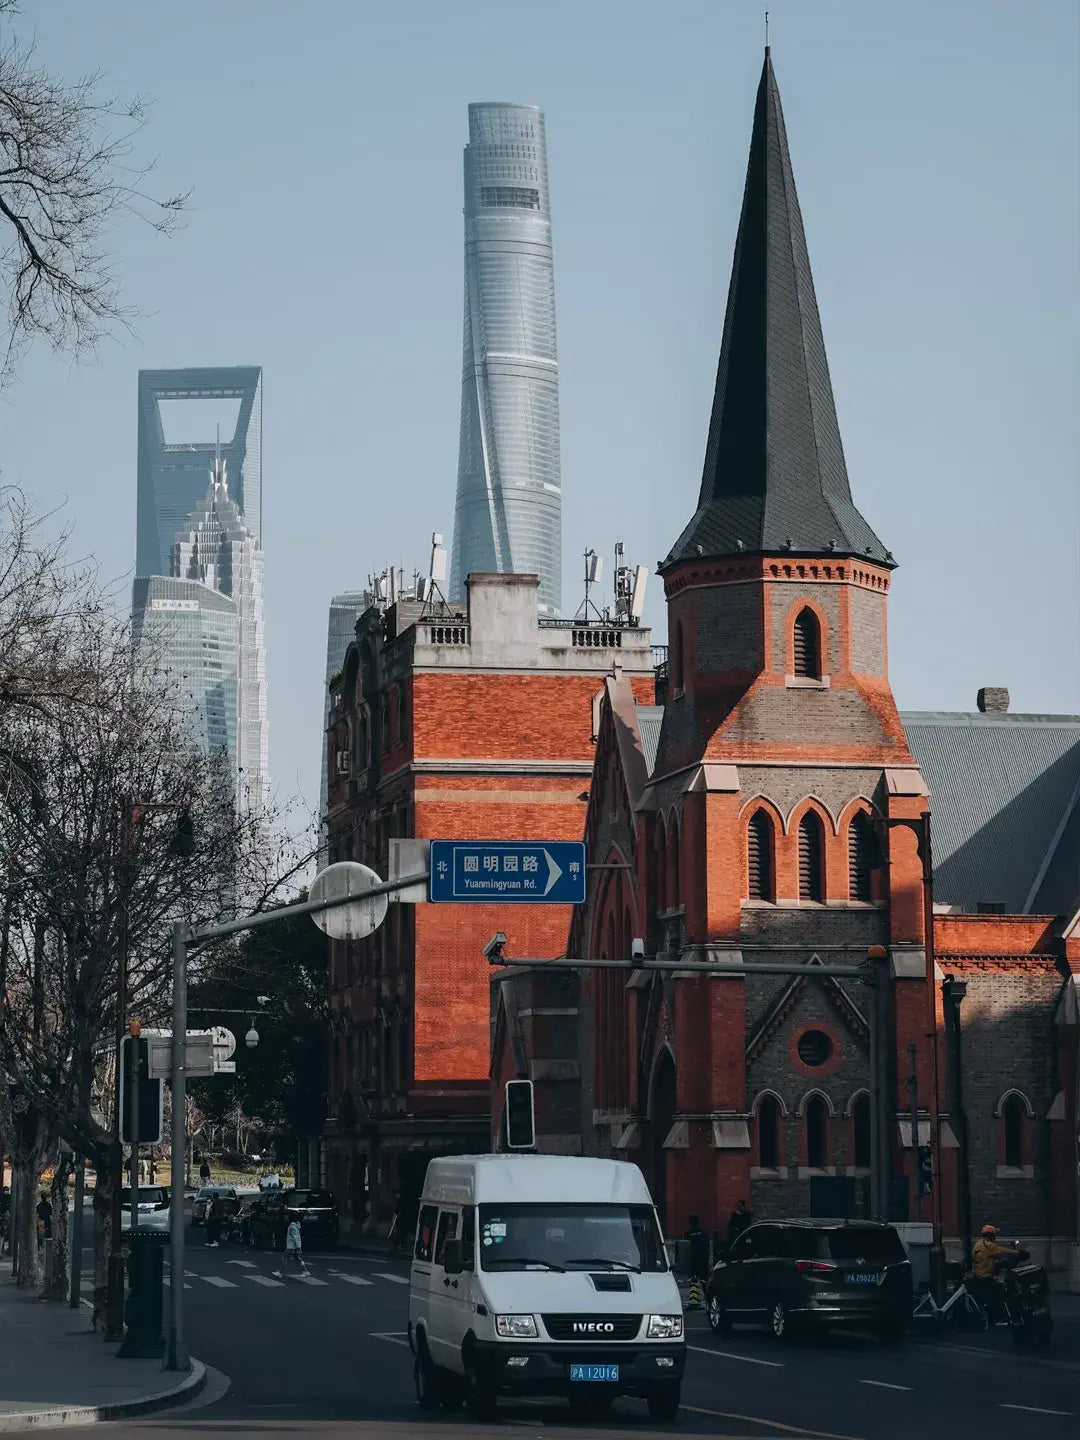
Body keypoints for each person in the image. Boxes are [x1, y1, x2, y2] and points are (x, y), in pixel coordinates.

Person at [971, 1223, 1017, 1323]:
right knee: (999, 1293)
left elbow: (989, 1255)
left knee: (990, 1294)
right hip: (984, 1276)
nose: (994, 1237)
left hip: (978, 1274)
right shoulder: (988, 1245)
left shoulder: (979, 1243)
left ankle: (993, 1315)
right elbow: (1001, 1250)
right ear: (990, 1235)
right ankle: (999, 1317)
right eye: (993, 1235)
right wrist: (1017, 1253)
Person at [685, 1214, 710, 1284]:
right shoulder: (703, 1233)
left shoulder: (688, 1234)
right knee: (704, 1280)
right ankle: (705, 1293)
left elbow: (686, 1248)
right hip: (702, 1260)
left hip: (693, 1261)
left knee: (693, 1282)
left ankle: (694, 1295)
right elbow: (707, 1246)